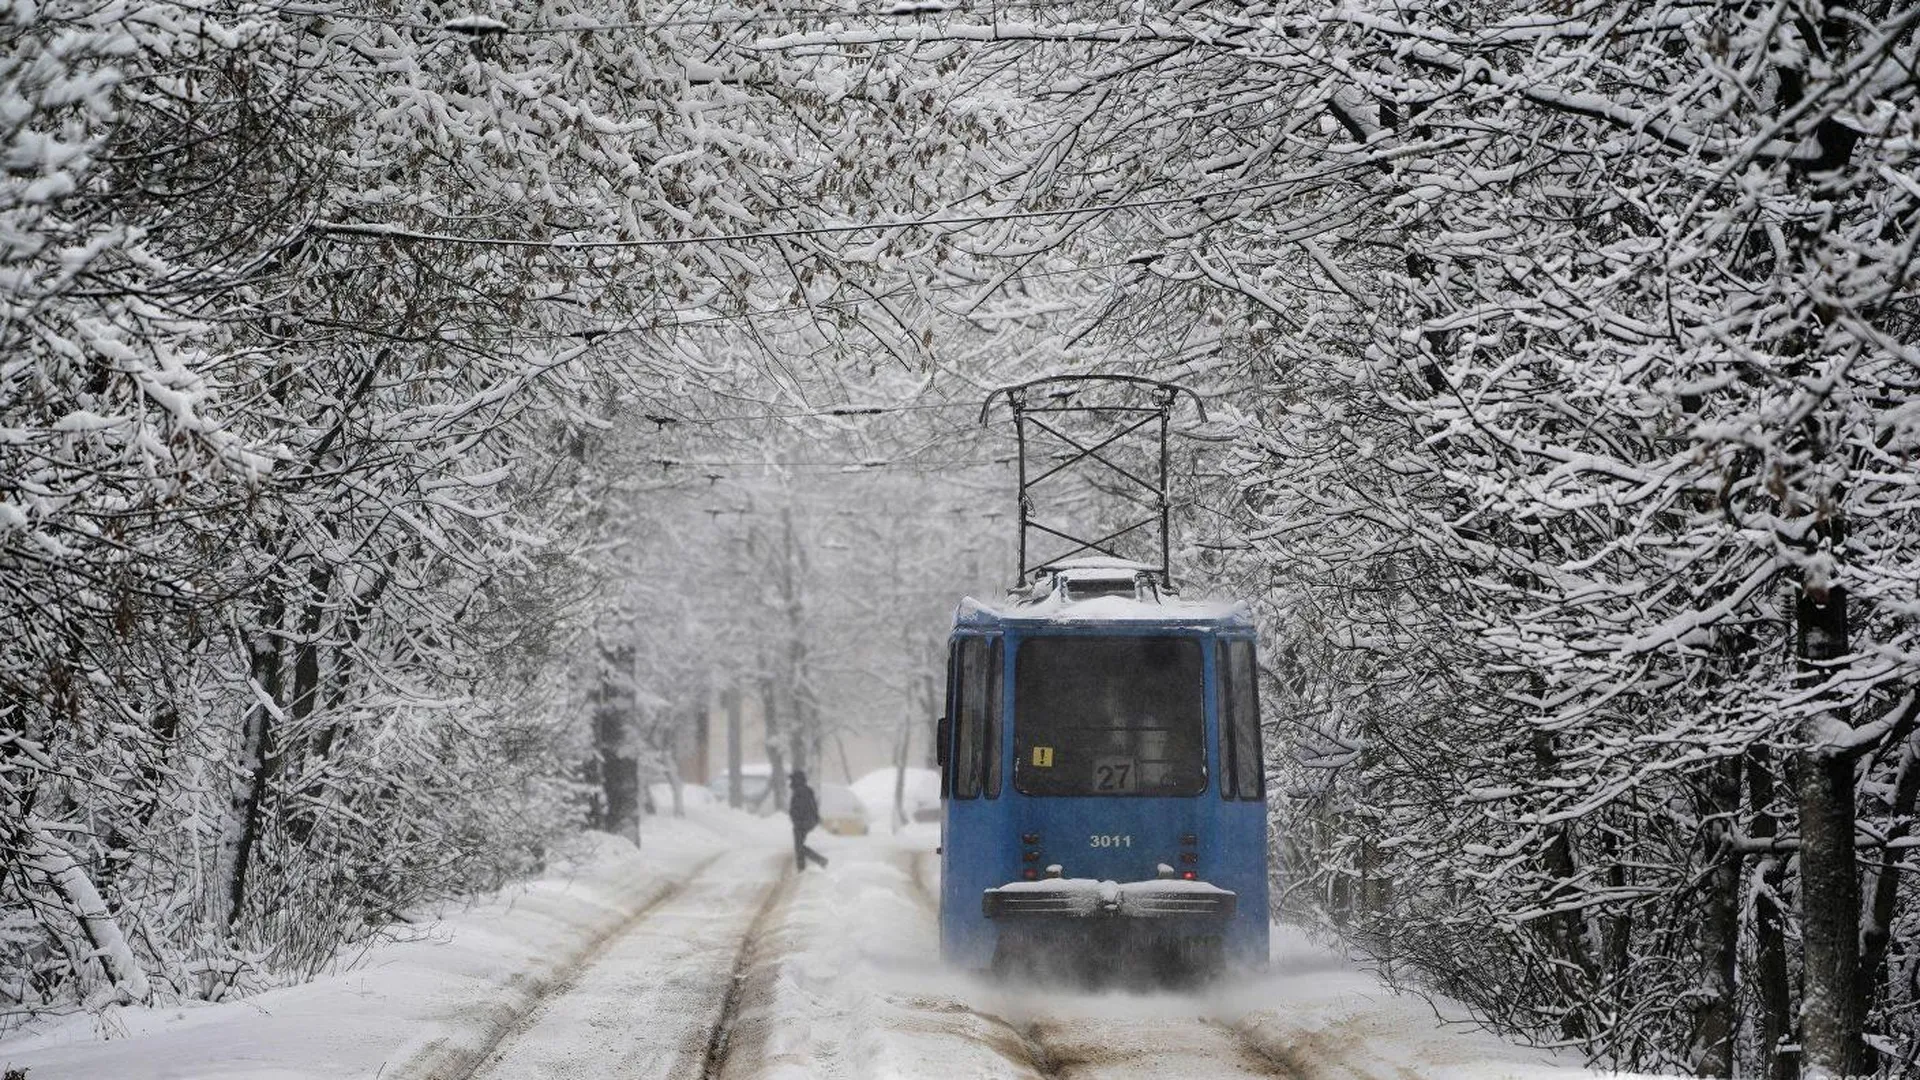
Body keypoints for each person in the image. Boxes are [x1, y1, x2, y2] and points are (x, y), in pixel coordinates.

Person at [788, 770, 828, 870]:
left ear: (797, 780)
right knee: (799, 847)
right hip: (806, 822)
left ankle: (819, 861)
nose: (790, 782)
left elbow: (801, 808)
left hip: (803, 823)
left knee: (799, 848)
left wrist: (797, 820)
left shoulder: (800, 791)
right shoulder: (806, 790)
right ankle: (803, 868)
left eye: (792, 780)